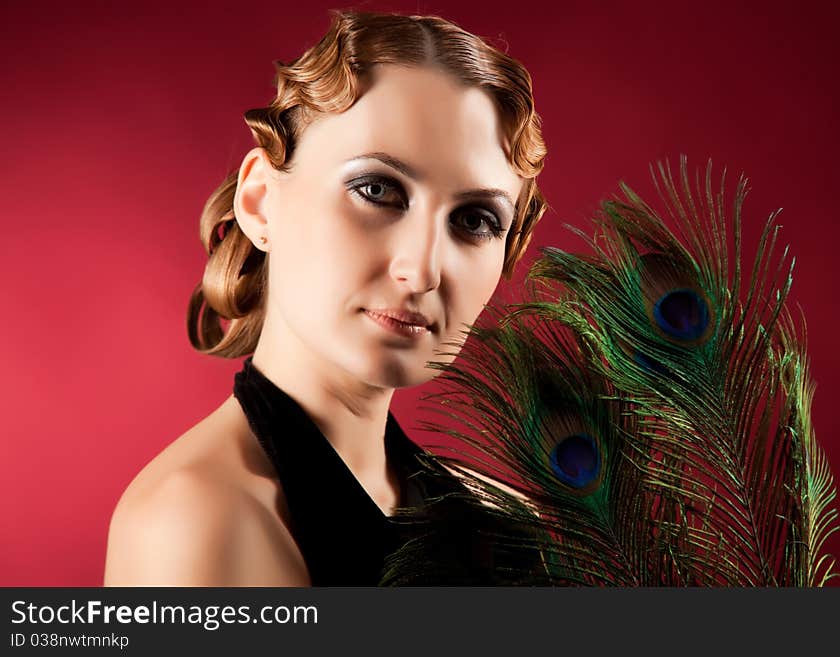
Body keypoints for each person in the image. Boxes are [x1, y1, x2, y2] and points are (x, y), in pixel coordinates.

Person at [103, 9, 547, 586]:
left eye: (475, 219)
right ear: (261, 201)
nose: (421, 269)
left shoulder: (498, 521)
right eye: (377, 189)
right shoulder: (192, 522)